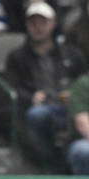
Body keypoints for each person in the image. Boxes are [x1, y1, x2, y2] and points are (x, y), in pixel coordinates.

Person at [5, 2, 86, 170]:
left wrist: (73, 95)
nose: (38, 27)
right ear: (27, 25)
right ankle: (50, 165)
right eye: (33, 22)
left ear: (53, 23)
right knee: (37, 114)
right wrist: (30, 97)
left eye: (43, 22)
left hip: (71, 107)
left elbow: (83, 82)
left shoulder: (71, 54)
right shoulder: (17, 57)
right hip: (37, 108)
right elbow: (11, 88)